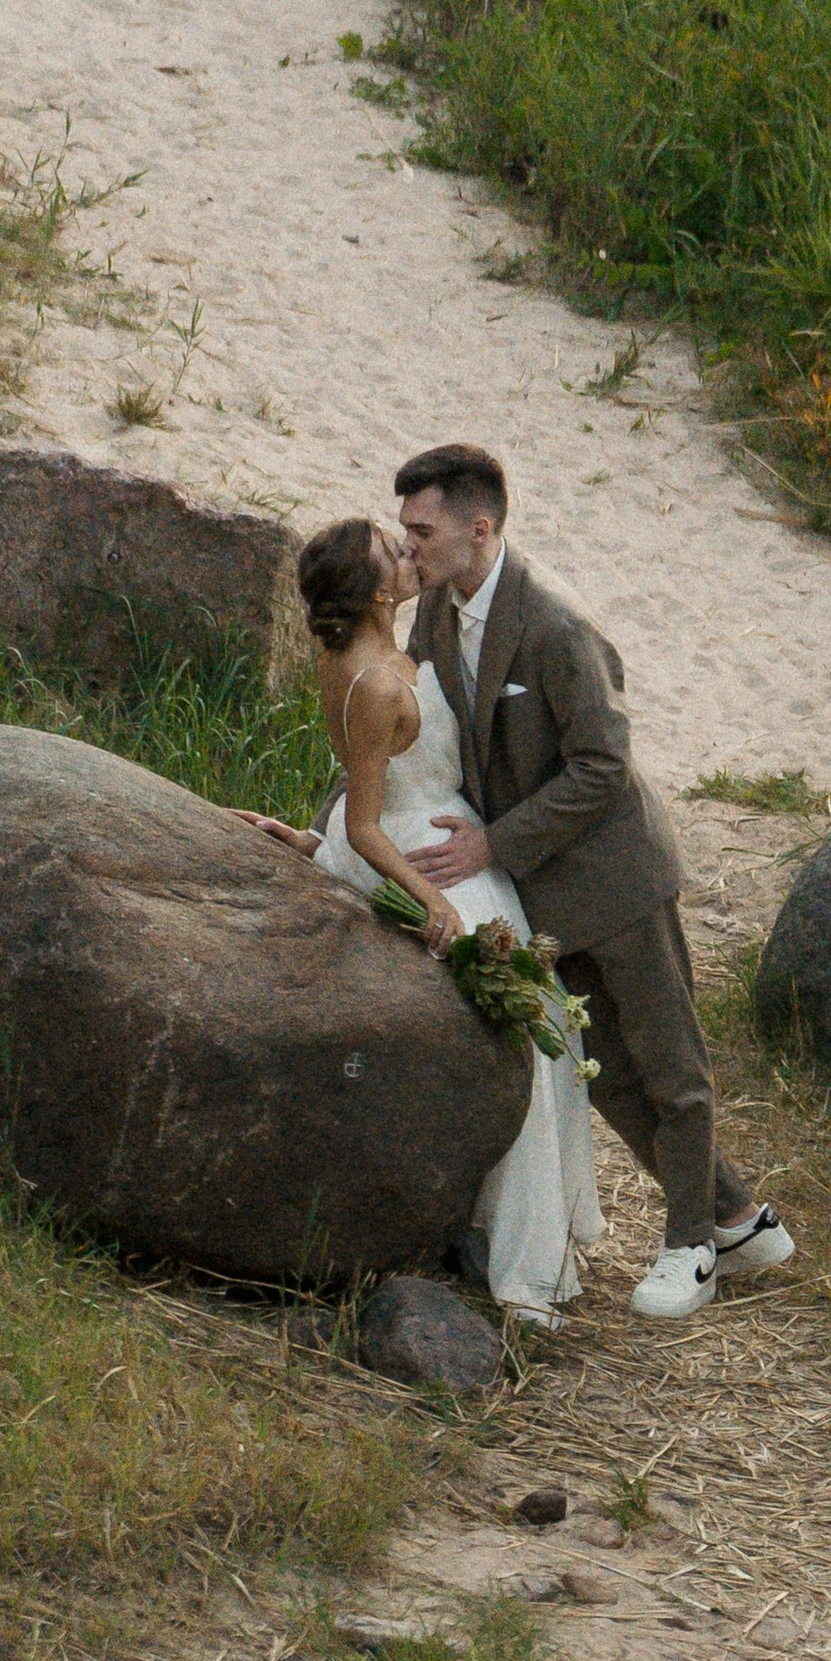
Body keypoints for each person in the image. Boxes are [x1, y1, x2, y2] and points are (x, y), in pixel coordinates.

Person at [388, 439, 795, 1322]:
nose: (408, 544)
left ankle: (692, 1248)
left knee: (672, 1066)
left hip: (618, 878)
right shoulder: (434, 614)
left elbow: (603, 764)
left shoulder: (555, 624)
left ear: (479, 528)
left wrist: (492, 846)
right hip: (542, 890)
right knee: (604, 1076)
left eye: (422, 530)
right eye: (404, 528)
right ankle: (738, 1219)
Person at [267, 512, 604, 1328]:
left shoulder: (371, 654)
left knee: (540, 1023)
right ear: (376, 591)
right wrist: (433, 898)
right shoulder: (379, 685)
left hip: (433, 832)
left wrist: (311, 840)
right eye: (394, 551)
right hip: (420, 854)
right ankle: (521, 1261)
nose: (409, 552)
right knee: (531, 1031)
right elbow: (364, 823)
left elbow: (359, 785)